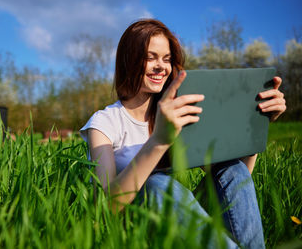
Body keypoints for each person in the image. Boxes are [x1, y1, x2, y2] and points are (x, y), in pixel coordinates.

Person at [79, 19, 286, 248]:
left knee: (232, 167)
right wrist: (159, 140)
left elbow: (234, 183)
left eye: (166, 59)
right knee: (157, 185)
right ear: (129, 59)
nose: (161, 66)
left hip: (186, 217)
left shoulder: (180, 111)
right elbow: (105, 208)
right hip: (137, 226)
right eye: (150, 57)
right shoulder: (105, 122)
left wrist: (256, 123)